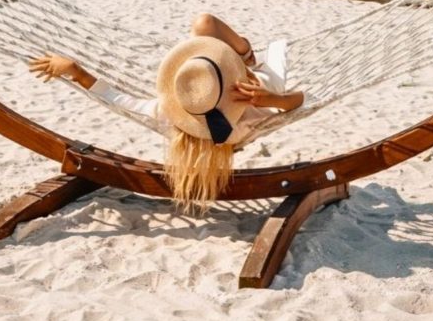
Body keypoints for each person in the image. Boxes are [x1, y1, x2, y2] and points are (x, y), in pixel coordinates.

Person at [29, 13, 304, 208]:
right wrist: (270, 99)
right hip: (253, 82)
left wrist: (76, 72)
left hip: (216, 78)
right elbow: (298, 101)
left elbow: (117, 99)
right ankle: (245, 55)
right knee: (204, 23)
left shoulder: (170, 111)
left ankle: (236, 55)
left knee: (203, 27)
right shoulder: (243, 115)